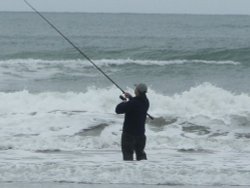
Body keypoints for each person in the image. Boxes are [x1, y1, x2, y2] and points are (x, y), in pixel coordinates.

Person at [115, 83, 149, 161]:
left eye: (136, 88)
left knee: (128, 157)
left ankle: (129, 172)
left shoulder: (133, 103)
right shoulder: (146, 102)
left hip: (129, 135)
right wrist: (130, 97)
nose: (135, 89)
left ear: (138, 91)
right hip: (141, 135)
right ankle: (143, 171)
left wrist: (124, 102)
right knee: (141, 156)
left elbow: (118, 110)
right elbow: (137, 103)